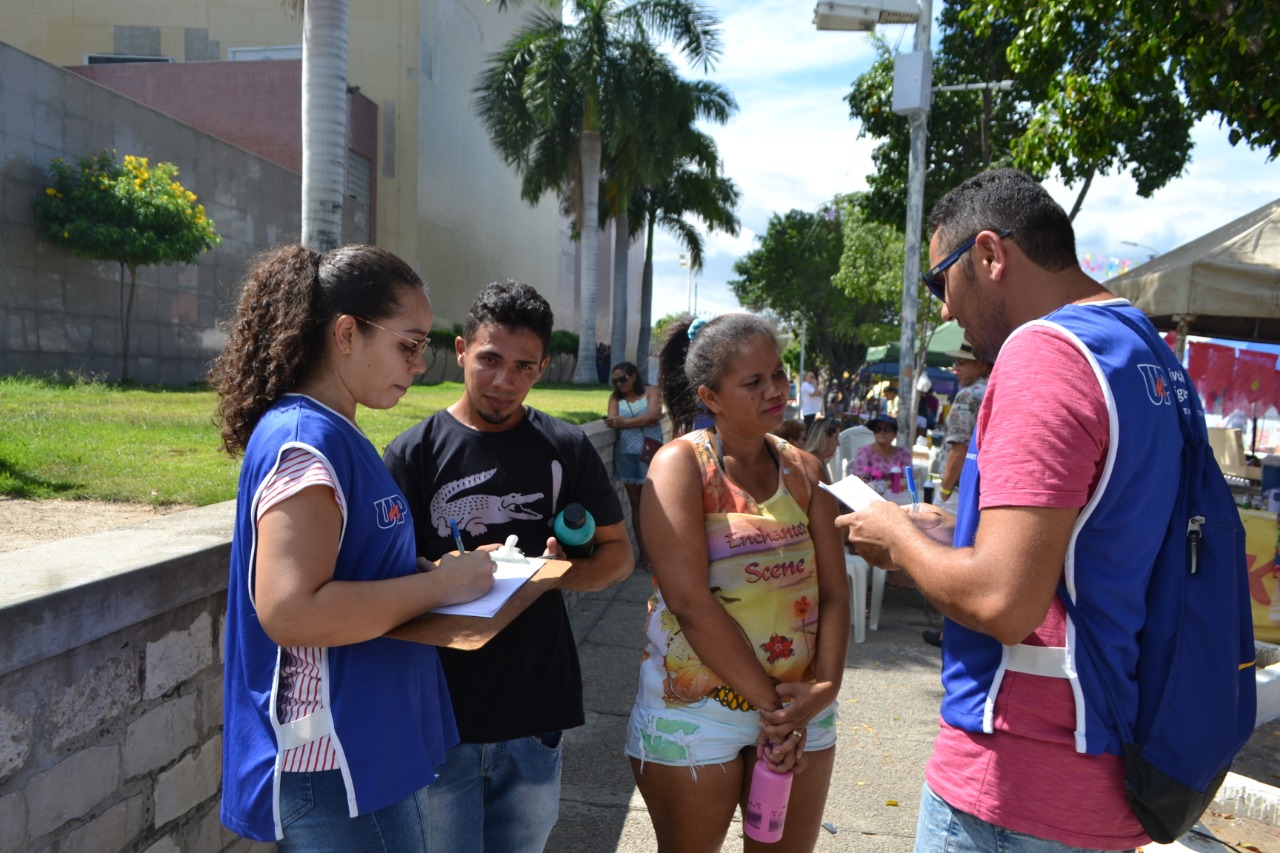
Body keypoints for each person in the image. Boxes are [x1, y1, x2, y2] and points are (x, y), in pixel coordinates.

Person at [839, 167, 1194, 852]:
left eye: (940, 278)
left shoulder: (1043, 354)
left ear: (990, 256)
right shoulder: (1145, 351)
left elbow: (1003, 600)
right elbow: (1095, 538)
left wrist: (895, 537)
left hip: (1012, 782)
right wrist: (955, 531)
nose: (944, 309)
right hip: (1111, 766)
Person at [210, 244, 497, 849]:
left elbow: (349, 564)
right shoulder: (305, 443)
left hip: (366, 749)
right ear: (347, 333)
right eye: (409, 344)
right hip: (336, 762)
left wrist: (417, 571)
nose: (419, 365)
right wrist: (441, 585)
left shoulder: (335, 431)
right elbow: (291, 611)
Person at [382, 280, 633, 852]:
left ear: (542, 368)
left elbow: (620, 556)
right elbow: (384, 578)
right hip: (441, 711)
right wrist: (444, 571)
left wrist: (558, 575)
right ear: (462, 349)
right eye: (490, 359)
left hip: (535, 705)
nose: (503, 381)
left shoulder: (565, 447)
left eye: (523, 367)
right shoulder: (412, 454)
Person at [626, 314, 849, 853]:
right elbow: (689, 602)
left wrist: (826, 686)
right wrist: (776, 708)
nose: (774, 391)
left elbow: (835, 590)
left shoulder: (805, 470)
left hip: (802, 708)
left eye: (778, 375)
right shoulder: (681, 466)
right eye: (753, 382)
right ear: (711, 395)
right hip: (697, 712)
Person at [604, 360, 664, 569]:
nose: (619, 384)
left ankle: (659, 554)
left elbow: (655, 415)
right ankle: (644, 556)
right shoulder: (615, 398)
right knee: (636, 505)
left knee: (653, 505)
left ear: (634, 376)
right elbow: (613, 420)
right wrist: (643, 420)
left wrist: (625, 423)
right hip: (626, 455)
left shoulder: (651, 391)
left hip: (649, 455)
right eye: (615, 381)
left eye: (622, 379)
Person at [936, 338, 992, 507]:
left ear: (981, 365)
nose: (955, 369)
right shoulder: (999, 388)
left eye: (961, 363)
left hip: (960, 488)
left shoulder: (968, 395)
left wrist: (945, 490)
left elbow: (959, 448)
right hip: (985, 487)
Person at [848, 414, 913, 487]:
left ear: (895, 433)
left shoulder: (903, 453)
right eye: (878, 429)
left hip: (899, 496)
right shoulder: (864, 452)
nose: (882, 432)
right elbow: (859, 481)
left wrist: (883, 484)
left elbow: (909, 481)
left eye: (887, 429)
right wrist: (891, 483)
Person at [804, 418, 842, 484]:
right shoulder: (811, 465)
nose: (838, 444)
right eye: (836, 438)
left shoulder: (818, 461)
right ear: (824, 437)